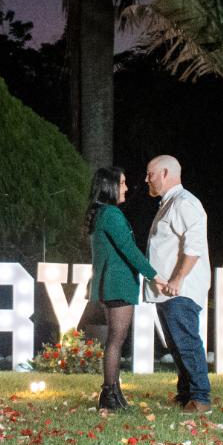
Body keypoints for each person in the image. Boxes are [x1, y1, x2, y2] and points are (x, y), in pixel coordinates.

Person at [86, 167, 167, 412]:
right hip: (117, 284)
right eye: (122, 183)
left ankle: (114, 392)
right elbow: (128, 249)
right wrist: (154, 276)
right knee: (116, 340)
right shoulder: (111, 214)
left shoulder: (103, 213)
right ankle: (109, 394)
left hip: (110, 284)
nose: (126, 188)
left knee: (115, 339)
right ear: (109, 187)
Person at [144, 155, 212, 413]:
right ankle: (186, 393)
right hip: (167, 291)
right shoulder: (170, 203)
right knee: (176, 344)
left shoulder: (184, 203)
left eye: (150, 174)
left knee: (186, 342)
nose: (147, 179)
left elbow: (195, 245)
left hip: (179, 291)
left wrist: (178, 278)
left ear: (165, 173)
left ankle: (201, 398)